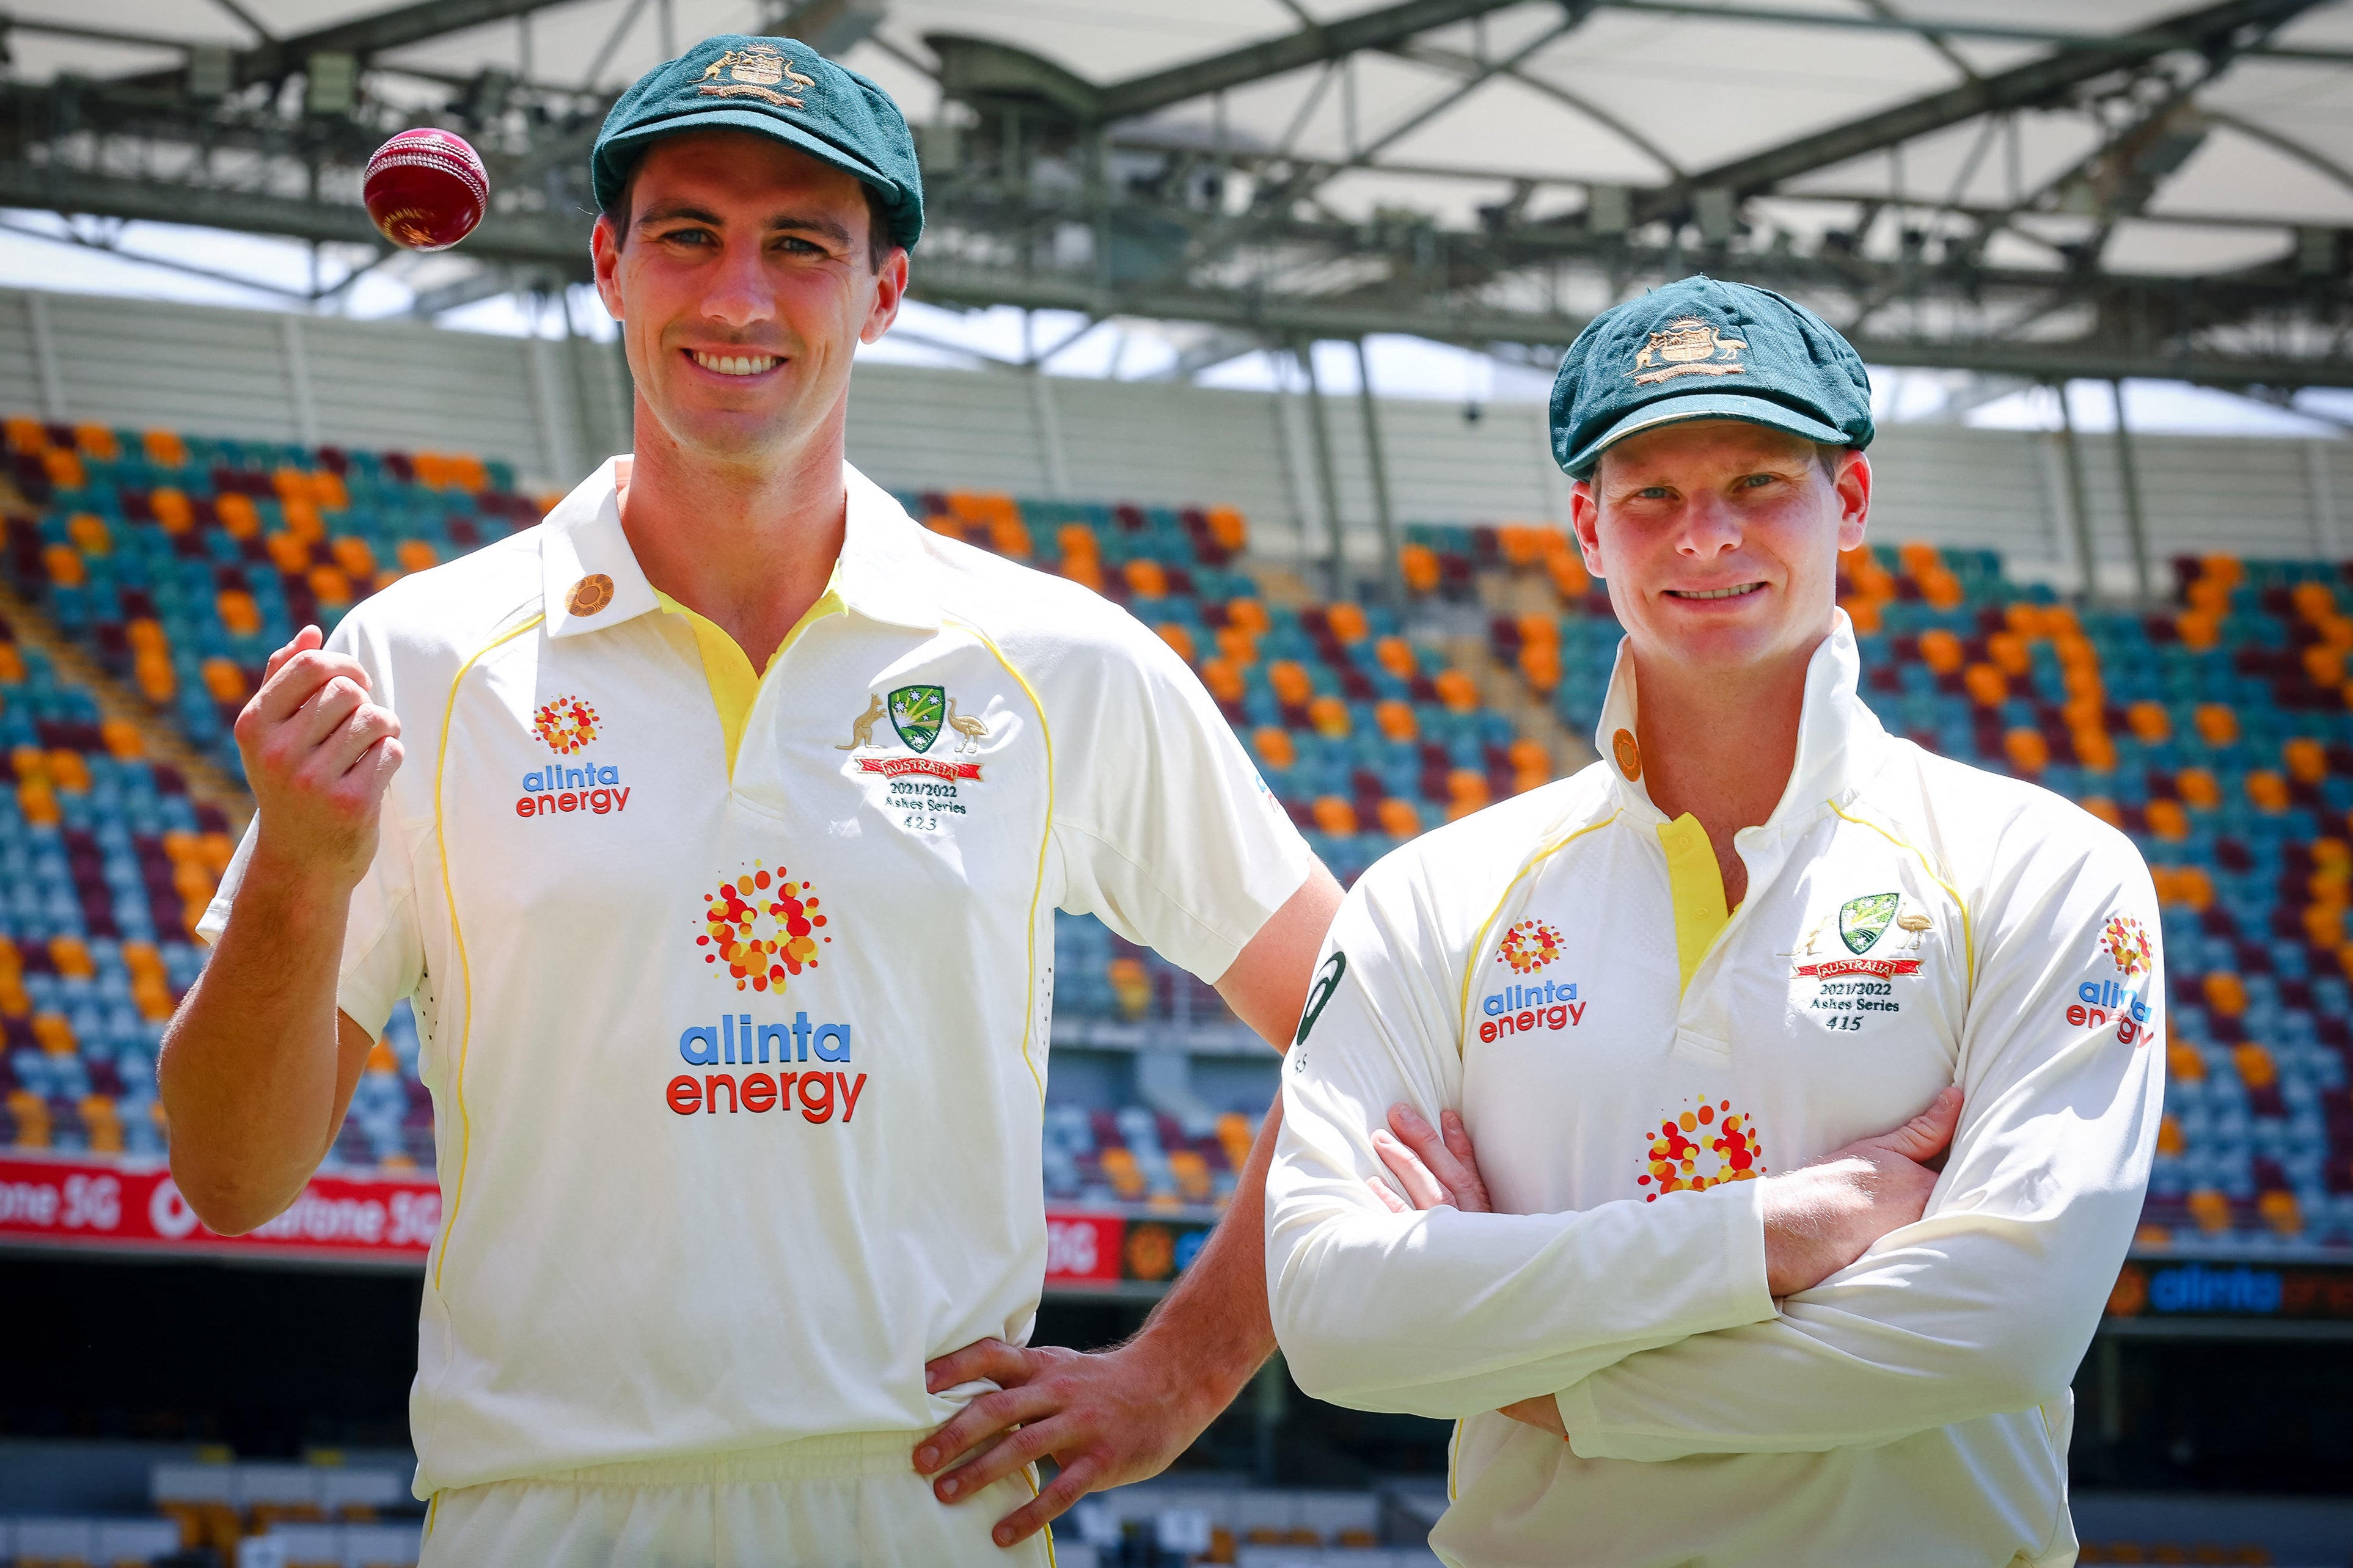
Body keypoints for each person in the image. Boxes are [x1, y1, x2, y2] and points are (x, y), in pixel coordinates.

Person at [159, 33, 1340, 1565]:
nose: (736, 296)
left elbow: (1365, 1020)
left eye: (801, 247)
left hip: (926, 1507)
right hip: (545, 1515)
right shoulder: (422, 657)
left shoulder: (1058, 661)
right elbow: (232, 1179)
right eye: (689, 237)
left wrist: (1177, 1375)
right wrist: (301, 877)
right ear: (611, 266)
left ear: (884, 291)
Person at [1265, 275, 2164, 1566]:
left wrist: (1529, 1360)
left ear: (1848, 500)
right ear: (1586, 524)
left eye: (1757, 483)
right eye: (1650, 495)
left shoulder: (2048, 870)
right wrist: (1773, 1234)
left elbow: (2002, 1324)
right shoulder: (1431, 896)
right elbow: (1334, 1316)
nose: (1704, 537)